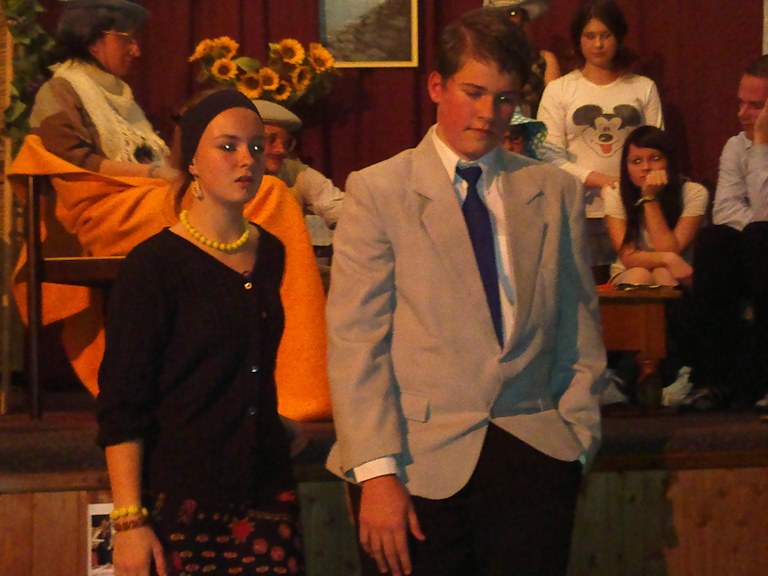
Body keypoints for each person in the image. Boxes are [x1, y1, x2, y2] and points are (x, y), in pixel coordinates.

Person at [325, 8, 606, 576]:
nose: (488, 114)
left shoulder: (553, 192)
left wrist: (577, 443)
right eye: (473, 93)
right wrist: (375, 473)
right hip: (416, 464)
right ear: (436, 86)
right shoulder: (379, 191)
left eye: (504, 99)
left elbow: (578, 327)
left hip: (536, 457)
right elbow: (357, 344)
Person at [97, 90, 305, 576]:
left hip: (264, 489)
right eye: (228, 146)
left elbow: (243, 361)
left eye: (256, 147)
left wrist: (270, 420)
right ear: (191, 160)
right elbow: (123, 401)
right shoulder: (154, 265)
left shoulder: (270, 252)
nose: (246, 160)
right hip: (184, 496)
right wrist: (128, 521)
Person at [537, 0, 663, 264]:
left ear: (618, 37)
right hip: (580, 212)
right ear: (578, 40)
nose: (598, 44)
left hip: (634, 211)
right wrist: (600, 180)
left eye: (605, 35)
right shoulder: (559, 90)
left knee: (639, 282)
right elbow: (548, 156)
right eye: (590, 36)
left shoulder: (642, 88)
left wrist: (633, 187)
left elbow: (657, 149)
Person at [686, 55, 768, 412]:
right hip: (756, 253)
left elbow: (764, 212)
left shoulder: (755, 143)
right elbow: (724, 210)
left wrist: (762, 144)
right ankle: (714, 380)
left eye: (756, 106)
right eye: (740, 102)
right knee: (714, 240)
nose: (742, 113)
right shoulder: (736, 147)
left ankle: (760, 379)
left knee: (760, 238)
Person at [29, 0, 178, 181]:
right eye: (126, 39)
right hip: (98, 196)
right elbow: (73, 165)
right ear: (94, 42)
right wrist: (151, 173)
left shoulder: (118, 92)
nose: (135, 50)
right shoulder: (59, 91)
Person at [602, 125, 709, 287]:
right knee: (640, 276)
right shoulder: (615, 193)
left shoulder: (694, 192)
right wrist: (668, 258)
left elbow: (670, 249)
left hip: (680, 271)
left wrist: (649, 198)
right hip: (629, 271)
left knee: (663, 273)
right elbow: (628, 257)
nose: (646, 167)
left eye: (655, 158)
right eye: (636, 161)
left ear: (669, 162)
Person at [252, 99, 344, 230]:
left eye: (287, 143)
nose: (281, 150)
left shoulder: (296, 172)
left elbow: (335, 206)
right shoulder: (225, 176)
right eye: (271, 140)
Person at [483, 0, 561, 117]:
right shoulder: (482, 59)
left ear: (524, 17)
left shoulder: (545, 60)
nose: (507, 19)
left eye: (513, 13)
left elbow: (555, 110)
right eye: (500, 13)